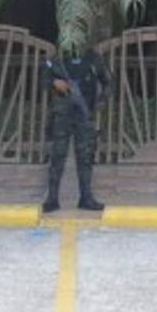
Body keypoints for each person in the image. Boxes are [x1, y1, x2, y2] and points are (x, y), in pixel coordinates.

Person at [40, 47, 111, 213]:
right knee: (57, 155)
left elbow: (108, 81)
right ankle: (52, 199)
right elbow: (44, 79)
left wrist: (101, 102)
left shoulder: (94, 58)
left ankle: (85, 198)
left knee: (85, 156)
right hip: (62, 113)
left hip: (84, 113)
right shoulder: (58, 58)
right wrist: (54, 82)